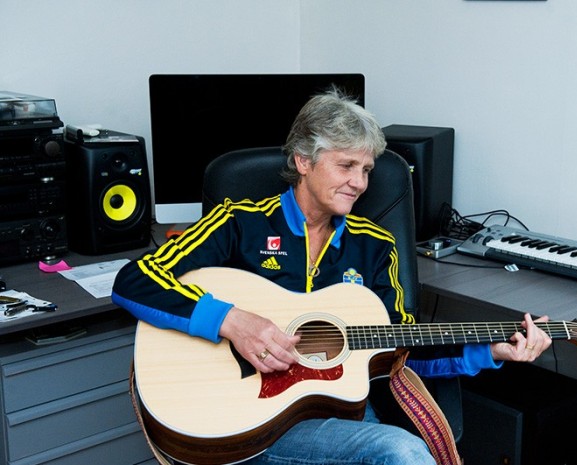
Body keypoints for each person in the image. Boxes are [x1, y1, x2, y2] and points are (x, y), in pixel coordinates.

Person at [112, 88, 552, 465]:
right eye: (346, 166)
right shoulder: (238, 222)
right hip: (244, 418)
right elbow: (134, 280)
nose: (359, 183)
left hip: (341, 420)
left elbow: (400, 352)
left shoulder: (376, 246)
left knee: (400, 449)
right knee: (401, 453)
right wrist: (232, 321)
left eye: (366, 170)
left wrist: (491, 351)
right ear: (303, 161)